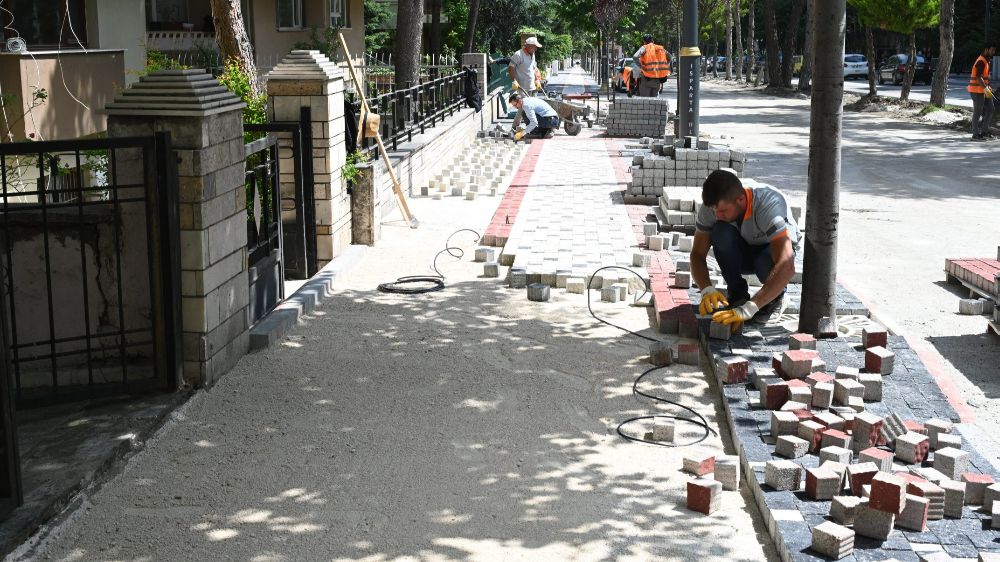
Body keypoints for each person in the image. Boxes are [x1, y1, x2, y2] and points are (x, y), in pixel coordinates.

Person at [691, 169, 799, 328]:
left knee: (763, 262)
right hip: (744, 251)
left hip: (770, 252)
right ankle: (737, 296)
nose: (717, 216)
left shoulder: (769, 205)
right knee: (720, 232)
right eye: (715, 211)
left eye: (722, 210)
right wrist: (706, 289)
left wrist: (751, 307)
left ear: (740, 200)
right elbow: (697, 254)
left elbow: (786, 265)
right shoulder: (714, 207)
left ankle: (777, 298)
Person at [968, 44, 996, 140]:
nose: (993, 52)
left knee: (991, 109)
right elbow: (978, 76)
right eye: (992, 50)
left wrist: (988, 87)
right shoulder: (981, 61)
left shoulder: (986, 60)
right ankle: (975, 134)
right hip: (977, 91)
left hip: (984, 90)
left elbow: (985, 77)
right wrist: (985, 88)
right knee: (978, 112)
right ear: (986, 49)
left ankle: (984, 131)